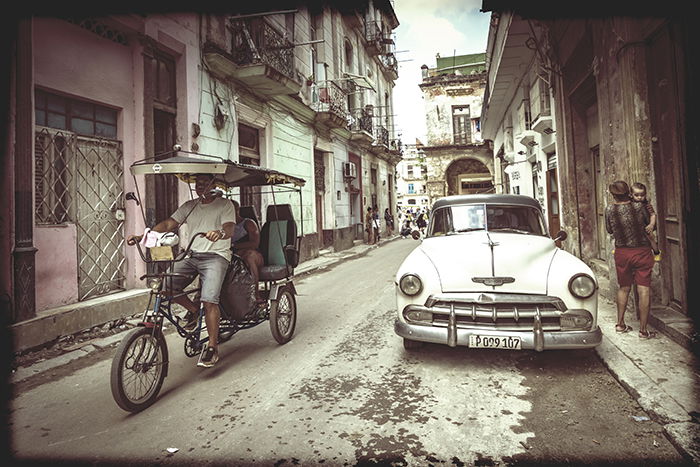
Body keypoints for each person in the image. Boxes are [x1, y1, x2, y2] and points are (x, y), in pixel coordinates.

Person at [128, 174, 236, 367]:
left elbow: (229, 228)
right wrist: (146, 235)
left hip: (216, 256)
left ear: (213, 185)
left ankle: (212, 347)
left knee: (209, 299)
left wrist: (218, 233)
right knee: (163, 286)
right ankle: (194, 311)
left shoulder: (225, 205)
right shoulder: (190, 206)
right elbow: (170, 223)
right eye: (198, 183)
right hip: (193, 255)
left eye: (205, 182)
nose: (200, 186)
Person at [604, 180, 657, 339]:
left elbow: (609, 230)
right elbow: (651, 226)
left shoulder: (609, 209)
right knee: (644, 289)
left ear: (613, 195)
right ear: (628, 192)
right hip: (641, 251)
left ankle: (620, 324)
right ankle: (643, 331)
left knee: (624, 288)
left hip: (622, 252)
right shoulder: (639, 207)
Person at [230, 200, 265, 304]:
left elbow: (255, 244)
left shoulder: (248, 223)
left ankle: (256, 294)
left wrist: (233, 246)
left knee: (249, 257)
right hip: (232, 255)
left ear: (237, 210)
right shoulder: (222, 226)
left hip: (253, 255)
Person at [631, 182, 661, 261]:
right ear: (631, 195)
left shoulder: (647, 205)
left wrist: (651, 224)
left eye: (642, 195)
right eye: (636, 195)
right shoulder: (630, 204)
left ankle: (656, 252)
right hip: (634, 226)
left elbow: (653, 215)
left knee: (651, 237)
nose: (640, 197)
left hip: (645, 225)